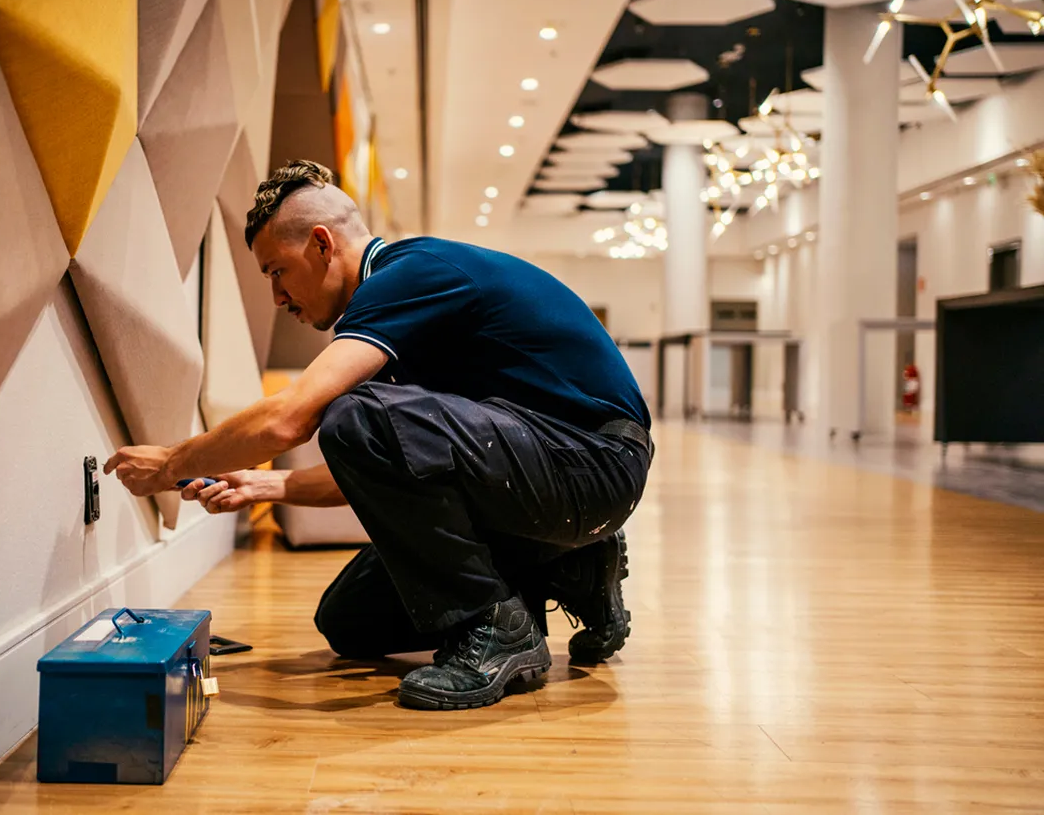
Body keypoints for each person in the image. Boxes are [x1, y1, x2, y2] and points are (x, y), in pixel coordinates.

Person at [104, 160, 652, 711]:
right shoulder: (398, 311)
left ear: (321, 243)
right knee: (350, 621)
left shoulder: (412, 273)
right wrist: (261, 486)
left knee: (354, 414)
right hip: (552, 475)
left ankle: (497, 625)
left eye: (276, 271)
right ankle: (573, 567)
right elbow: (391, 467)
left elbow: (290, 419)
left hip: (595, 461)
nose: (276, 296)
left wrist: (172, 462)